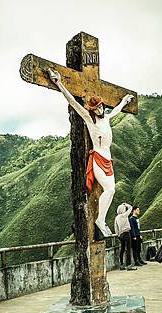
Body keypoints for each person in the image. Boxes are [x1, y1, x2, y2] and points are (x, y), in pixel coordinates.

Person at [49, 68, 134, 239]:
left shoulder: (107, 118)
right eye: (97, 108)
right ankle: (100, 221)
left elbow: (116, 110)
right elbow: (73, 102)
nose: (101, 109)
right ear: (93, 110)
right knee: (109, 189)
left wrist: (124, 101)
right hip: (98, 159)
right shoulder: (89, 119)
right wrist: (59, 84)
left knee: (112, 190)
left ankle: (101, 220)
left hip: (108, 159)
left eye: (101, 106)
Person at [114, 203, 136, 270]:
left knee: (122, 249)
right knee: (128, 249)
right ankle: (129, 265)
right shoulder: (124, 215)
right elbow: (131, 208)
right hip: (126, 233)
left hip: (121, 235)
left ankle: (121, 265)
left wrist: (118, 235)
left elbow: (116, 227)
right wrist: (126, 204)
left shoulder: (117, 218)